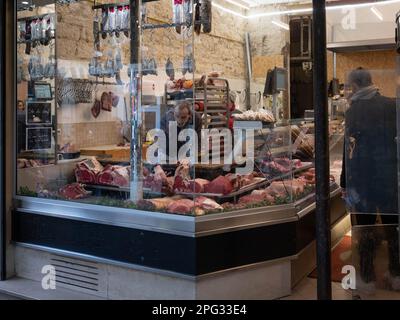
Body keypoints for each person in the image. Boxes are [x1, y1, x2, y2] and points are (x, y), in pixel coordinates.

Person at [340, 67, 400, 293]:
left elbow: (349, 151)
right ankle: (396, 274)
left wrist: (345, 182)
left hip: (363, 180)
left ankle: (366, 279)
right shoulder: (393, 104)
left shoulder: (353, 112)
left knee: (364, 229)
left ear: (354, 86)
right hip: (389, 178)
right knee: (392, 227)